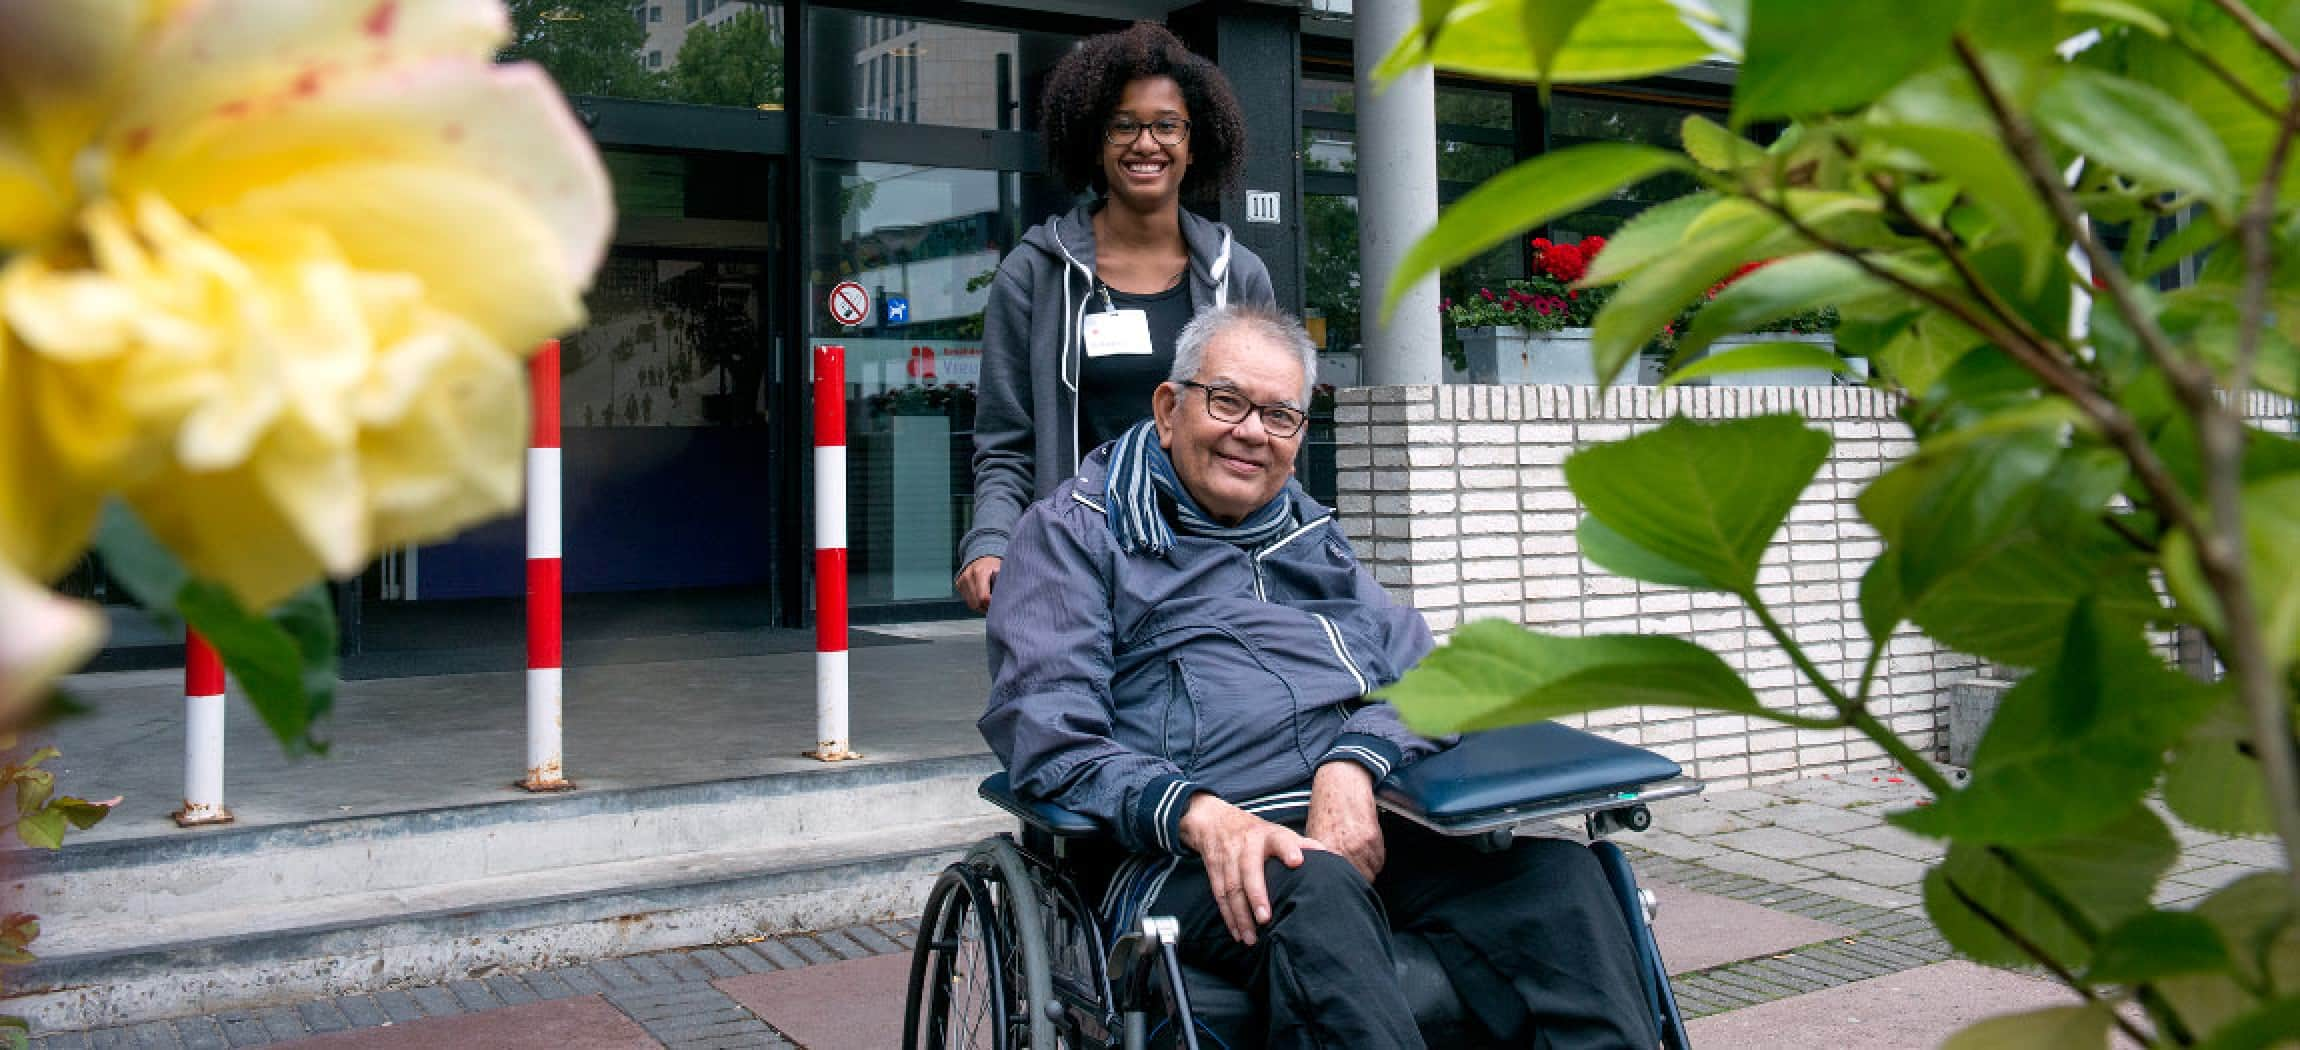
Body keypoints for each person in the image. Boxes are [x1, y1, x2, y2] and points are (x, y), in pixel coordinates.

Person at [981, 303, 1660, 1049]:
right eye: (1229, 401)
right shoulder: (1075, 533)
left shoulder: (1307, 533)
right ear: (1170, 408)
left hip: (1354, 826)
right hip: (1182, 851)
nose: (1252, 433)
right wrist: (1202, 814)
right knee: (1318, 888)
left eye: (1281, 416)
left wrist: (1352, 763)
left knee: (1561, 886)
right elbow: (1050, 734)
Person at [956, 21, 1278, 613]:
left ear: (1194, 141)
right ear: (1093, 141)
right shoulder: (1032, 276)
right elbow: (1005, 444)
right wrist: (992, 540)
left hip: (1212, 568)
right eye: (1123, 125)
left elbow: (1271, 436)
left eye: (1166, 125)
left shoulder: (1241, 277)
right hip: (1077, 569)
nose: (1145, 143)